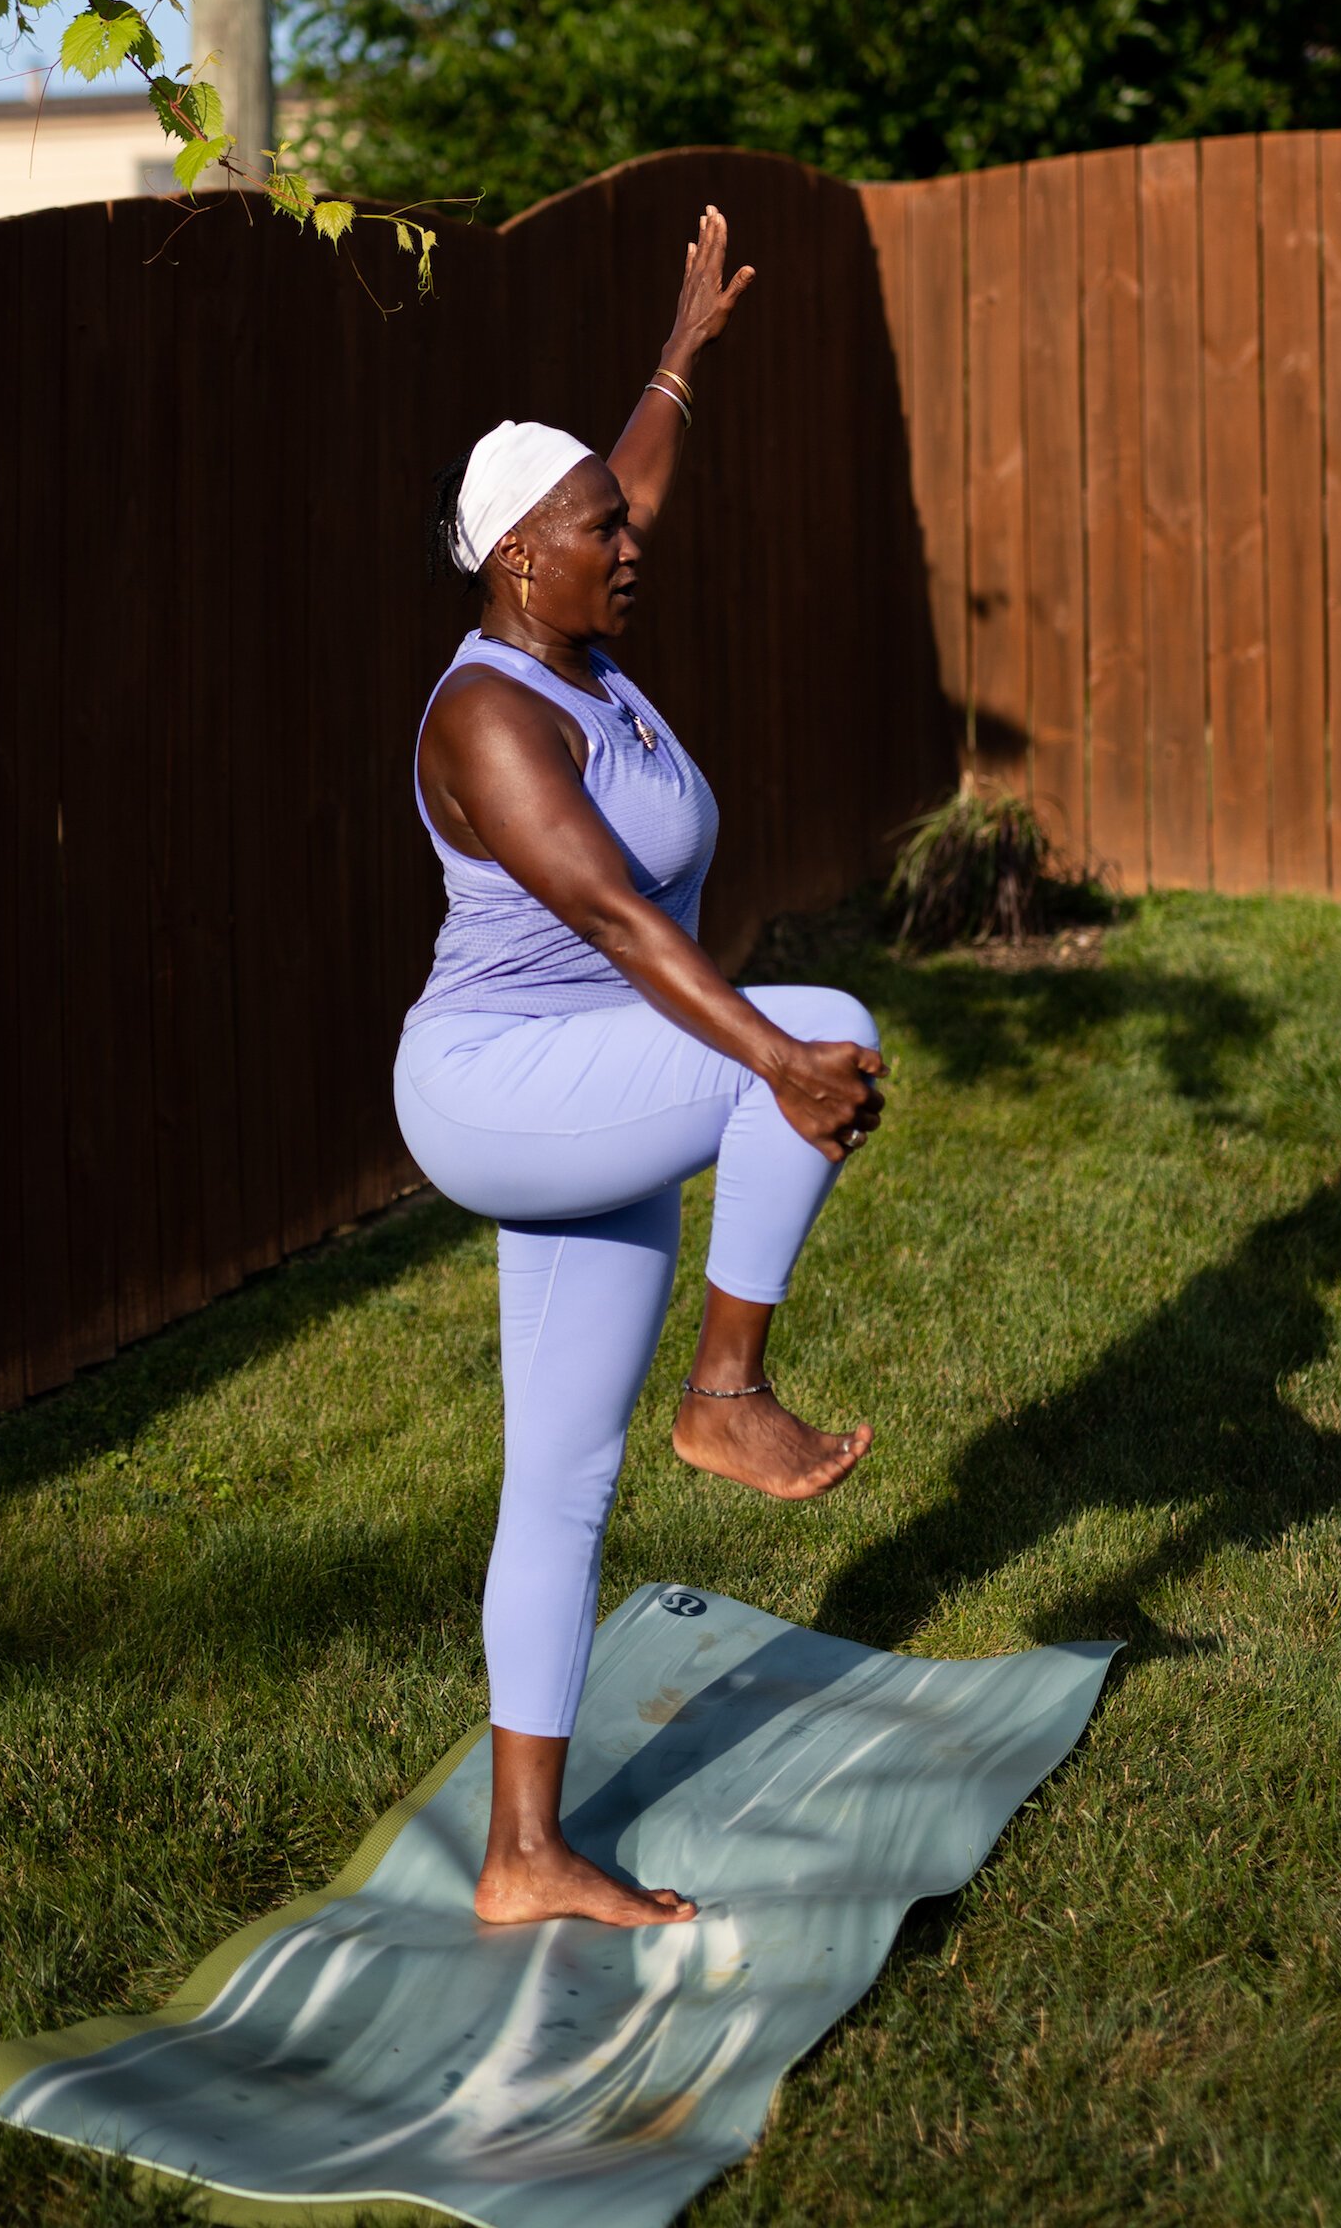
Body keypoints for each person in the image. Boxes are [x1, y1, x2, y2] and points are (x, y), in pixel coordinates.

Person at [393, 207, 885, 1930]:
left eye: (621, 517)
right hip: (496, 1082)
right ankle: (727, 1392)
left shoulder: (574, 629)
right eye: (601, 529)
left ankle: (523, 1855)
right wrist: (780, 1061)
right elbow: (608, 914)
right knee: (823, 1037)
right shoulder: (489, 715)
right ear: (524, 554)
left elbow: (640, 471)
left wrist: (679, 352)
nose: (634, 541)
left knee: (560, 1473)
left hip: (586, 1073)